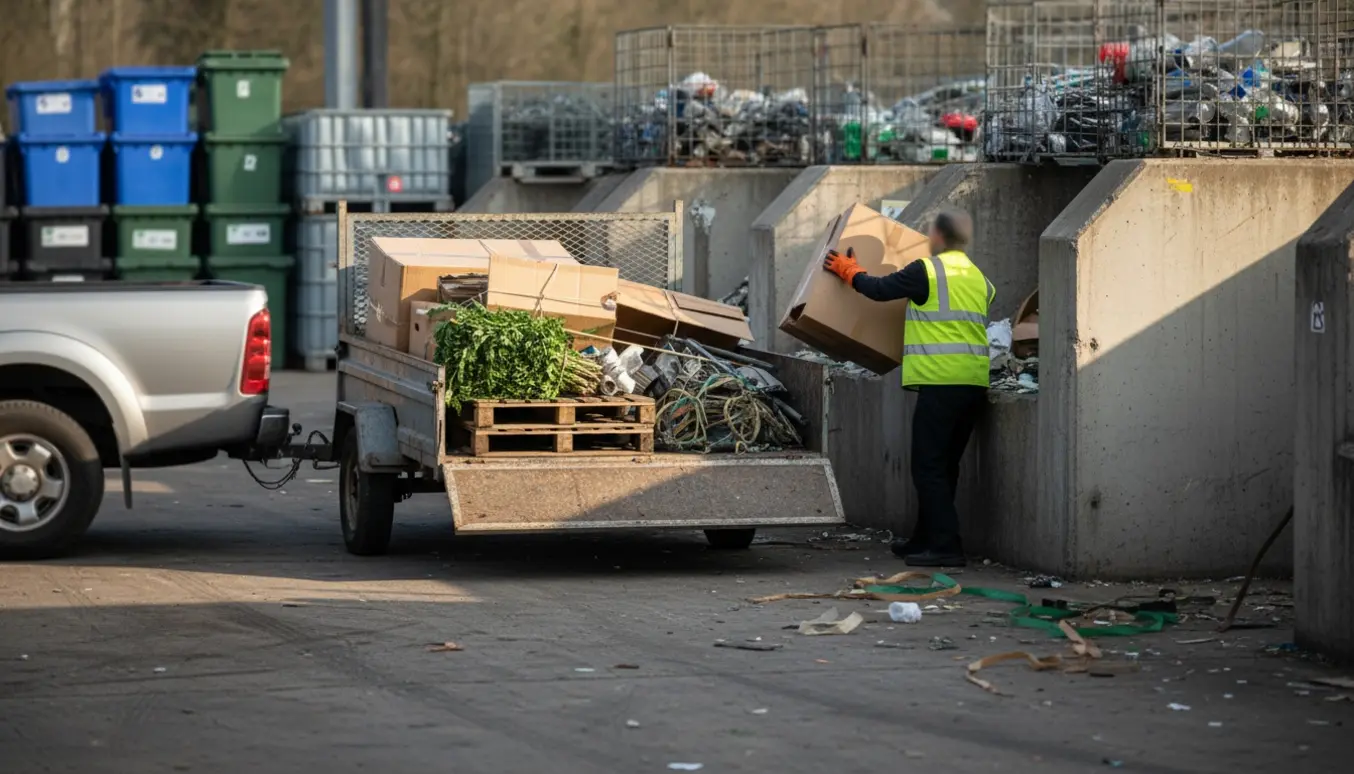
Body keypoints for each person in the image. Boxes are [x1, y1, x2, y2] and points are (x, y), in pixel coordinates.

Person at [821, 209, 993, 567]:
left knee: (928, 467)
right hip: (974, 383)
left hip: (941, 381)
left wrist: (848, 270)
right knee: (944, 467)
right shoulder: (979, 277)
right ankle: (925, 539)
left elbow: (880, 290)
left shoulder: (927, 271)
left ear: (938, 237)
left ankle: (946, 546)